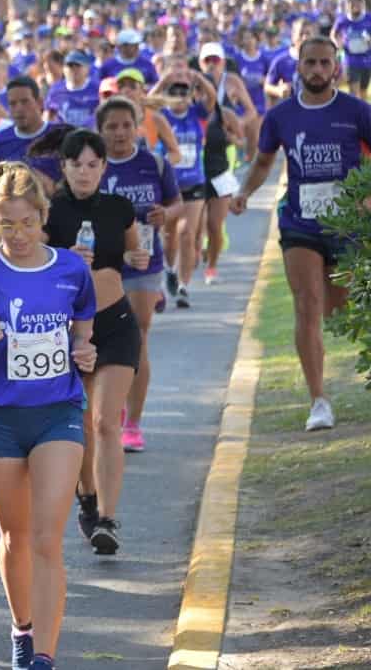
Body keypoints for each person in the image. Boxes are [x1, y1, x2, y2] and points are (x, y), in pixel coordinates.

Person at [0, 161, 96, 670]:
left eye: (27, 223)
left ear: (43, 216)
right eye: (7, 224)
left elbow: (83, 333)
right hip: (0, 417)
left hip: (58, 413)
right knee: (16, 537)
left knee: (48, 536)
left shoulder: (71, 269)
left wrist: (85, 353)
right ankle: (22, 628)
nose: (18, 233)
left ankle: (44, 658)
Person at [231, 37, 371, 432]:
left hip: (347, 225)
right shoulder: (281, 116)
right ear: (298, 67)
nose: (316, 70)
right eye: (310, 63)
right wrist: (244, 192)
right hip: (300, 223)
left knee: (339, 310)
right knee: (307, 306)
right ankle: (318, 400)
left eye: (324, 63)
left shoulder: (356, 111)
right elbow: (263, 162)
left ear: (336, 68)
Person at [44, 130, 146, 555]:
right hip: (70, 328)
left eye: (92, 164)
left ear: (104, 167)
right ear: (63, 167)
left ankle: (106, 517)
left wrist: (135, 259)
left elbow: (134, 254)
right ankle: (86, 497)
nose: (84, 172)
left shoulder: (119, 208)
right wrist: (64, 257)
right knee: (82, 423)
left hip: (117, 320)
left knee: (107, 421)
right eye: (76, 164)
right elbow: (32, 265)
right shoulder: (49, 211)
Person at [97, 99, 181, 454]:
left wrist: (167, 214)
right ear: (101, 130)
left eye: (125, 125)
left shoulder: (154, 163)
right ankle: (111, 409)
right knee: (106, 340)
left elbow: (176, 203)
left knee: (138, 337)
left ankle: (133, 421)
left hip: (145, 262)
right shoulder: (93, 166)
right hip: (106, 264)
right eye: (112, 127)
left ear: (137, 127)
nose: (119, 133)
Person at [194, 46, 247, 284]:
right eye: (199, 91)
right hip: (195, 176)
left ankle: (212, 268)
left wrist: (232, 138)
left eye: (208, 91)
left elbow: (240, 138)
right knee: (195, 228)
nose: (204, 95)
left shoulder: (224, 114)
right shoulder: (189, 115)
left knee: (215, 227)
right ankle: (192, 261)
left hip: (220, 173)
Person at [45, 50, 99, 129]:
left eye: (78, 65)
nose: (74, 69)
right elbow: (48, 115)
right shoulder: (56, 89)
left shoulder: (96, 87)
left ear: (87, 68)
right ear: (63, 69)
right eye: (70, 65)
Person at [332, 0, 371, 95]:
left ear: (363, 5)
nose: (356, 7)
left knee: (363, 92)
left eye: (358, 4)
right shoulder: (342, 20)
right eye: (353, 4)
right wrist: (337, 44)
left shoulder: (369, 18)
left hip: (367, 60)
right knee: (353, 92)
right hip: (350, 60)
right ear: (347, 5)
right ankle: (354, 111)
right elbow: (333, 34)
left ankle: (364, 111)